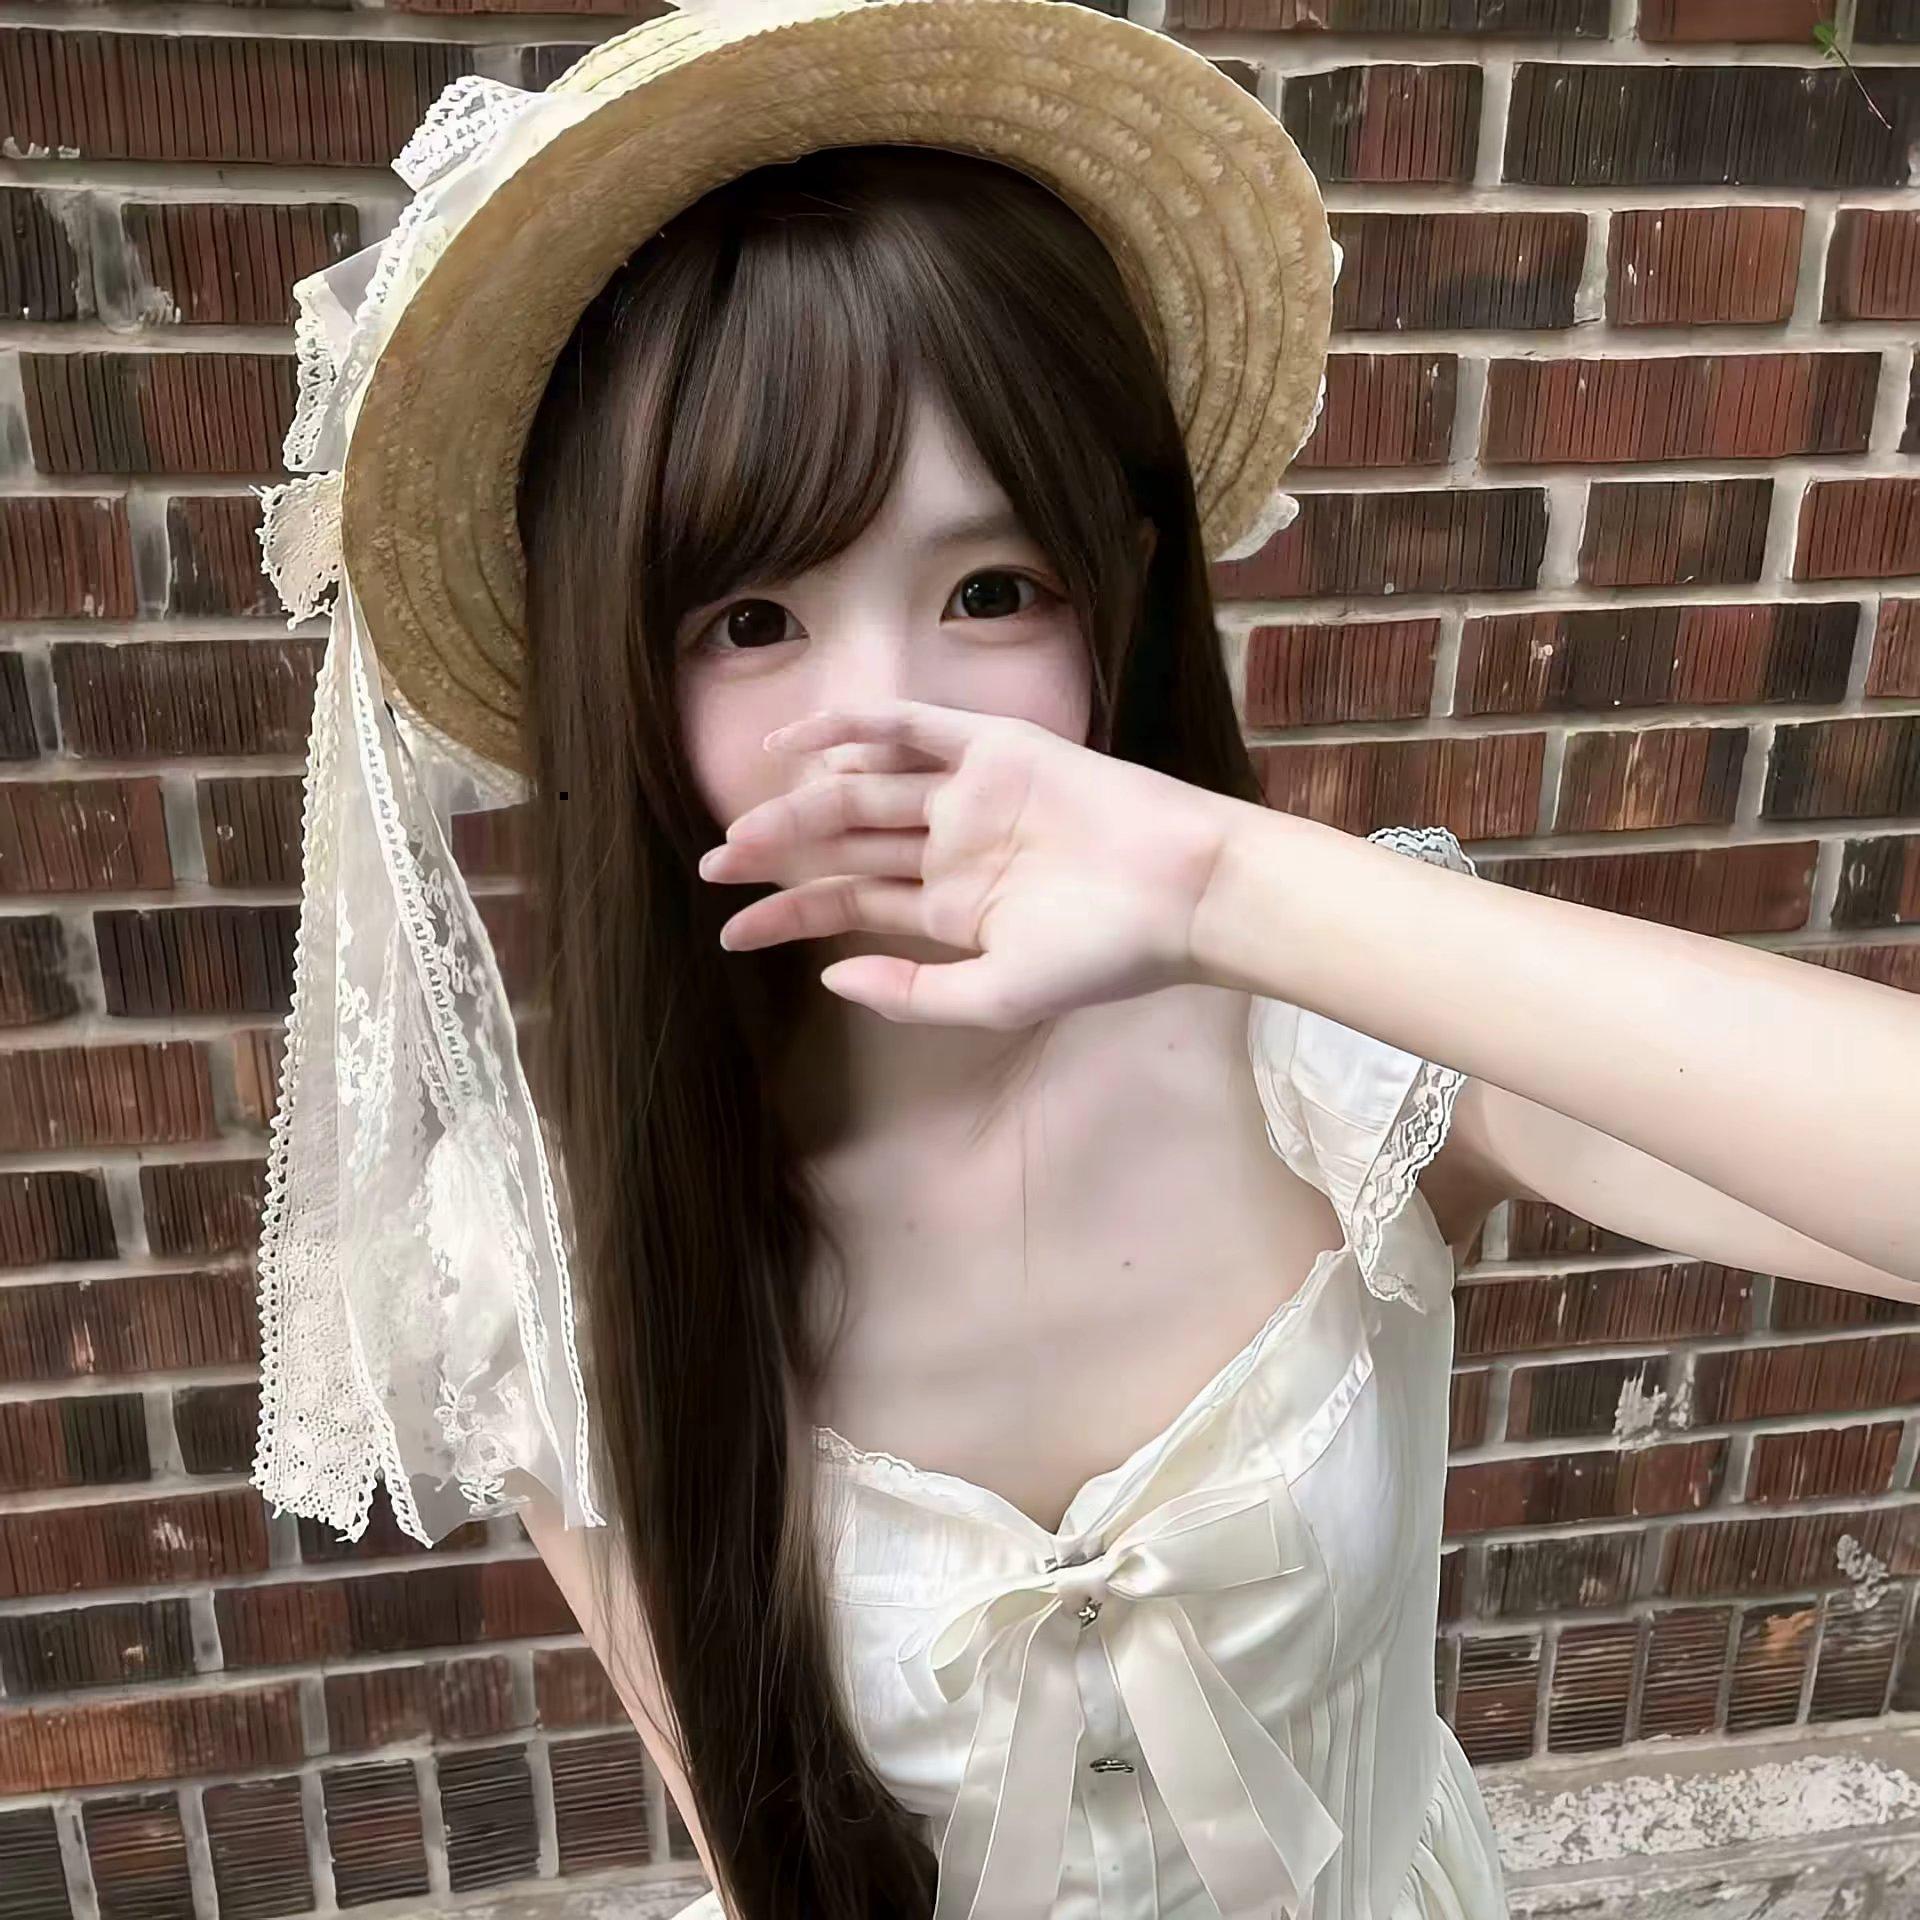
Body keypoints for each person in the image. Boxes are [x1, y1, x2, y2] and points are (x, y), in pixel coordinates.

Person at [246, 4, 1920, 1919]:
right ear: (622, 673)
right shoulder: (534, 1254)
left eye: (989, 591)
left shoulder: (1331, 1057)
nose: (881, 719)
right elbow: (749, 1836)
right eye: (754, 618)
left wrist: (1222, 880)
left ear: (1118, 596)